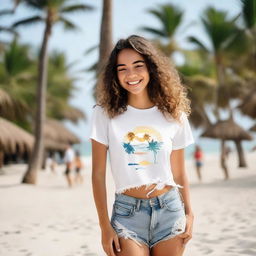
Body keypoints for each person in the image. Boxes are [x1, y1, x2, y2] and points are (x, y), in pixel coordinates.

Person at [89, 35, 195, 256]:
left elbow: (179, 172)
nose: (131, 74)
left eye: (138, 66)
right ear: (115, 75)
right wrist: (104, 226)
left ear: (151, 68)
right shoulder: (104, 114)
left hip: (170, 210)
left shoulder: (174, 114)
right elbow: (98, 174)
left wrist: (190, 214)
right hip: (127, 215)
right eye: (122, 69)